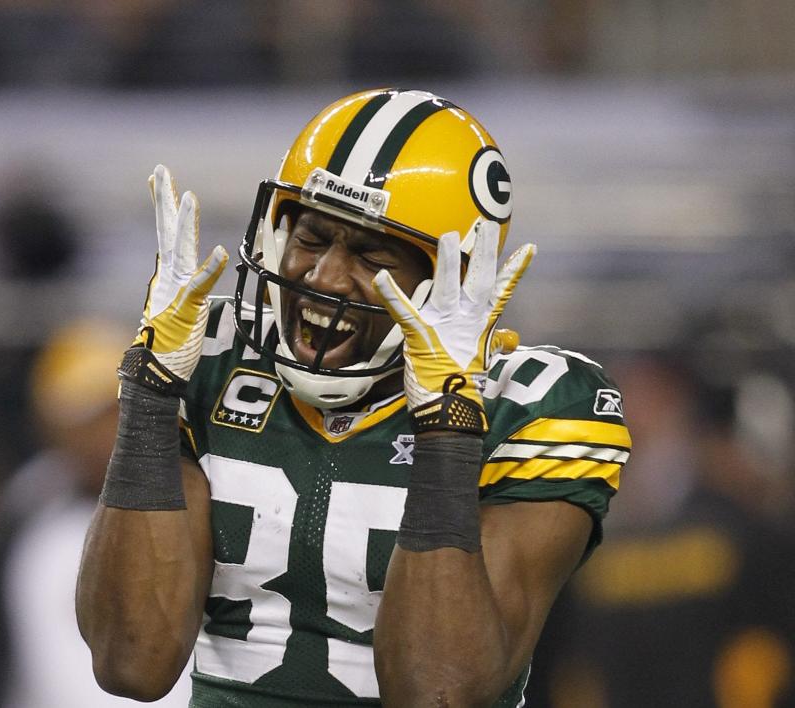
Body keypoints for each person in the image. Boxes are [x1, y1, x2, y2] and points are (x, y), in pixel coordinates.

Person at [76, 88, 631, 707]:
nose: (325, 277)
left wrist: (447, 427)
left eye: (373, 254)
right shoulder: (208, 356)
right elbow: (130, 663)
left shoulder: (530, 402)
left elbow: (440, 693)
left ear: (453, 272)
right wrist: (150, 394)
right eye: (312, 237)